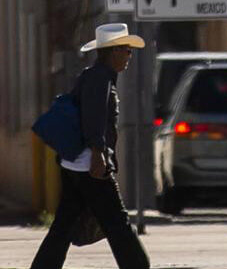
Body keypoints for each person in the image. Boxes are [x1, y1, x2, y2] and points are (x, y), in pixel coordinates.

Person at [30, 23, 151, 269]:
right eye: (126, 50)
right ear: (113, 51)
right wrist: (99, 154)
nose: (129, 55)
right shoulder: (99, 77)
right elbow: (94, 117)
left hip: (76, 163)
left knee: (64, 224)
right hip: (89, 163)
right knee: (117, 222)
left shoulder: (96, 75)